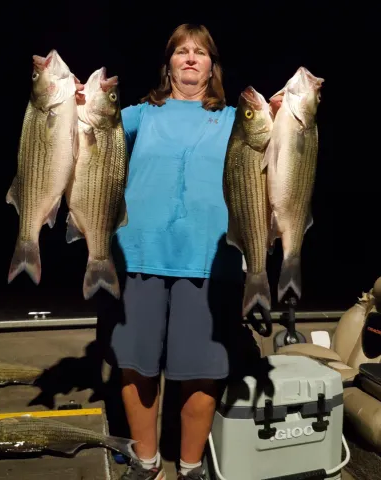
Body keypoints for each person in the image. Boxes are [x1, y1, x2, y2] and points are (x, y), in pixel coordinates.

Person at [75, 23, 276, 480]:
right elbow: (85, 131)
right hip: (138, 256)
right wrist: (70, 100)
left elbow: (284, 149)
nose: (190, 58)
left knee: (203, 372)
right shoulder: (140, 115)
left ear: (211, 66)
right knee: (136, 367)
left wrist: (285, 113)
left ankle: (190, 467)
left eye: (199, 52)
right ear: (168, 64)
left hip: (210, 261)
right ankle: (147, 465)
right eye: (181, 51)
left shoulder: (236, 120)